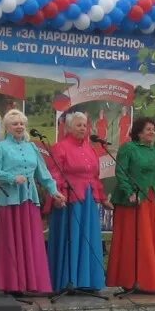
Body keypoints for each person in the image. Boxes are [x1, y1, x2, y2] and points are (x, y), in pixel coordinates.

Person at [0, 109, 65, 294]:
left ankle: (26, 282)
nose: (19, 127)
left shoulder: (32, 148)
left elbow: (43, 174)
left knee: (28, 241)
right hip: (6, 201)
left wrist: (54, 192)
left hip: (27, 200)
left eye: (21, 123)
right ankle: (7, 283)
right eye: (15, 124)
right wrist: (12, 177)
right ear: (7, 127)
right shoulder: (0, 147)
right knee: (8, 242)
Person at [106, 117, 155, 293]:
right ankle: (131, 280)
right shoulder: (128, 148)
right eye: (148, 129)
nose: (152, 132)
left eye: (153, 129)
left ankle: (150, 281)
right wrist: (129, 193)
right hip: (133, 201)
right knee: (134, 240)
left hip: (150, 201)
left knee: (152, 241)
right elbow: (121, 171)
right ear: (138, 132)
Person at [46, 111, 110, 293]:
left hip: (88, 200)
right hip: (68, 200)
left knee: (88, 237)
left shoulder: (90, 149)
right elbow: (55, 174)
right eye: (78, 125)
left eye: (85, 125)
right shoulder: (60, 147)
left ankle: (87, 281)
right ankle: (68, 280)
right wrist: (57, 195)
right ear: (68, 128)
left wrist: (103, 198)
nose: (83, 128)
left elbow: (95, 176)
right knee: (71, 238)